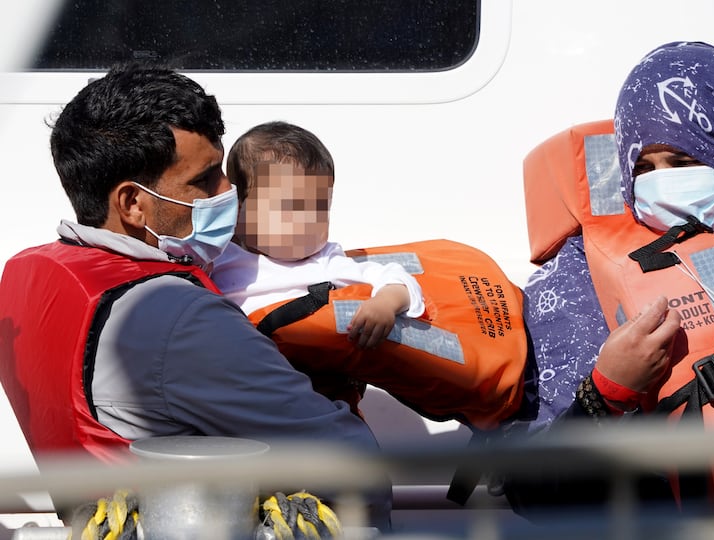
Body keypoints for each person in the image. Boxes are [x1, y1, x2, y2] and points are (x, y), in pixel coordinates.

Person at [0, 64, 391, 528]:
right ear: (132, 203)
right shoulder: (177, 317)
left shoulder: (28, 272)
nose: (229, 193)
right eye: (205, 181)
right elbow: (353, 467)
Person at [515, 41, 714, 511]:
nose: (662, 185)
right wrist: (604, 393)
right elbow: (532, 492)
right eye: (643, 168)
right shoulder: (572, 286)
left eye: (684, 163)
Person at [213, 121, 425, 350]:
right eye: (290, 208)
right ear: (238, 208)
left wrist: (385, 304)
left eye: (321, 207)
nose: (309, 221)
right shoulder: (215, 255)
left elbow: (396, 278)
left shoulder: (326, 261)